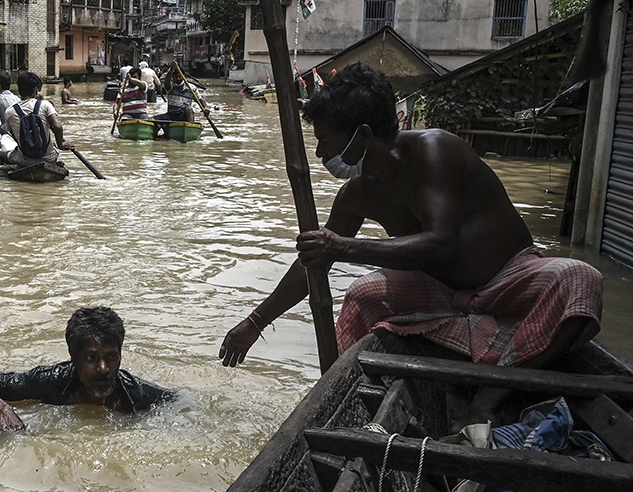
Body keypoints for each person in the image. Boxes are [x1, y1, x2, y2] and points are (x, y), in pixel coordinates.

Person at [218, 63, 603, 429]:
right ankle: (344, 404)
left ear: (363, 135)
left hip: (509, 279)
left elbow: (440, 244)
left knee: (579, 278)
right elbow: (313, 264)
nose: (320, 154)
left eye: (326, 142)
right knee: (363, 294)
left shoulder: (436, 151)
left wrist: (344, 247)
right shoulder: (356, 195)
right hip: (441, 292)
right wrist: (255, 322)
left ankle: (490, 397)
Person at [0, 307, 176, 432]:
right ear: (73, 357)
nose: (103, 368)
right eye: (91, 358)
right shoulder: (49, 381)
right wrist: (3, 410)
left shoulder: (135, 394)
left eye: (111, 357)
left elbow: (180, 402)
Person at [3, 71, 73, 166]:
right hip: (49, 159)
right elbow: (58, 126)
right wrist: (61, 144)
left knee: (4, 149)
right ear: (35, 90)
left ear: (19, 89)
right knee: (54, 148)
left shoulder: (9, 111)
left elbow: (13, 136)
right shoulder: (46, 105)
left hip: (23, 161)